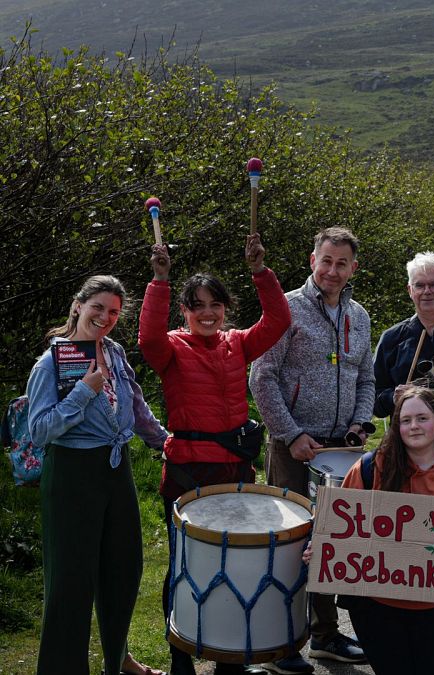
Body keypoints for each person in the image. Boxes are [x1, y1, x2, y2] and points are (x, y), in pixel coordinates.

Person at [139, 234, 290, 675]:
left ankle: (228, 659)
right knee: (183, 564)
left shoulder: (238, 343)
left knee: (236, 563)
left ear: (225, 309)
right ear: (184, 312)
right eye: (197, 305)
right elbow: (147, 337)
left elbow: (278, 320)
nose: (207, 313)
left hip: (234, 471)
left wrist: (260, 272)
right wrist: (160, 280)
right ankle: (180, 658)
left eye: (215, 305)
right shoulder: (170, 348)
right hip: (187, 472)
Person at [27, 276, 169, 675]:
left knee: (123, 568)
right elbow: (39, 431)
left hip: (116, 470)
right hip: (72, 475)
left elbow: (136, 405)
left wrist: (165, 443)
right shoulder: (50, 363)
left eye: (113, 312)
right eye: (98, 307)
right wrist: (84, 391)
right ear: (78, 306)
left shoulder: (114, 351)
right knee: (71, 580)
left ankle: (118, 659)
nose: (105, 317)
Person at [249, 227, 372, 673]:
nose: (332, 271)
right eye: (326, 261)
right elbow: (261, 377)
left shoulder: (359, 316)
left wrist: (360, 422)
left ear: (353, 268)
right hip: (294, 447)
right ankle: (281, 644)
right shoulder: (285, 309)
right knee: (290, 545)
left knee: (331, 541)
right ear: (312, 260)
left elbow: (366, 377)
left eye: (342, 263)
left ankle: (325, 635)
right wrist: (291, 434)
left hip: (340, 452)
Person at [317, 386, 434, 674]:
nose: (414, 426)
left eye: (422, 418)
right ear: (397, 427)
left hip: (433, 605)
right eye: (405, 420)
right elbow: (337, 528)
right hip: (375, 607)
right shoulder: (370, 468)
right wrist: (322, 551)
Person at [373, 251, 434, 417]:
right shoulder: (391, 339)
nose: (427, 291)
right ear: (410, 290)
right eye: (419, 285)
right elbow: (372, 397)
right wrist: (393, 397)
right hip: (410, 429)